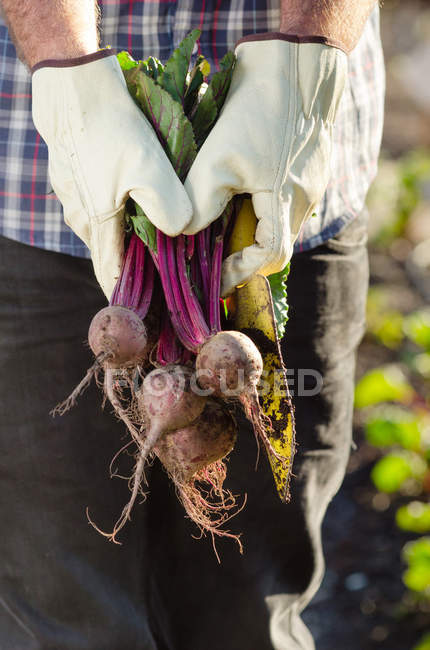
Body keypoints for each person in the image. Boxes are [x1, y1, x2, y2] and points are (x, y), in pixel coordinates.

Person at [0, 1, 384, 648]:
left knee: (254, 616)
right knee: (64, 621)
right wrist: (66, 73)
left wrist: (307, 58)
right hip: (36, 189)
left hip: (282, 195)